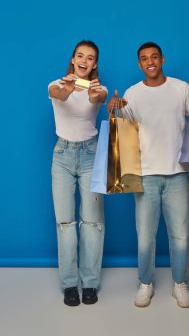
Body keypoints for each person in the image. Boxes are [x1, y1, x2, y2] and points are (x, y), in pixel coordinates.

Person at [107, 42, 189, 308]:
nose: (150, 62)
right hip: (145, 176)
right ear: (139, 64)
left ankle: (180, 284)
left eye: (154, 57)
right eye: (144, 59)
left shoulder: (181, 88)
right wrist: (114, 108)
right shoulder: (133, 93)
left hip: (178, 174)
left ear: (162, 59)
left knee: (180, 234)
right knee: (145, 235)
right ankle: (146, 283)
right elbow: (122, 126)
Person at [49, 40, 107, 306]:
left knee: (92, 223)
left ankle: (90, 283)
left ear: (95, 64)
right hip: (62, 155)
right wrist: (69, 89)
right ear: (73, 59)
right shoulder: (56, 85)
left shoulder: (98, 88)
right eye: (80, 56)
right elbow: (58, 96)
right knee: (65, 223)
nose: (85, 60)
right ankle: (70, 283)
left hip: (90, 155)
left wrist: (89, 92)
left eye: (91, 58)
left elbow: (98, 99)